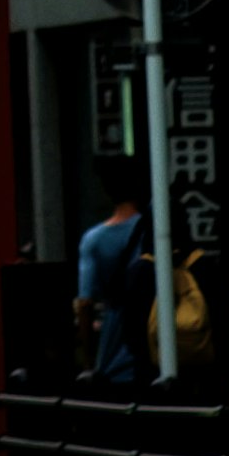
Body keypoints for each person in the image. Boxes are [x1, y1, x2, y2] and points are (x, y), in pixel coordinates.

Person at [74, 163, 157, 385]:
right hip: (154, 334)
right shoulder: (156, 231)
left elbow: (84, 303)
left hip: (114, 343)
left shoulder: (94, 240)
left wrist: (88, 361)